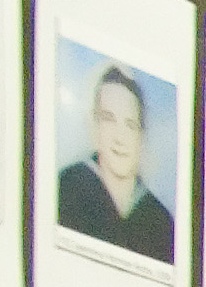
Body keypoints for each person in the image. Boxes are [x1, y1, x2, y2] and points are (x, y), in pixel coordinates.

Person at [55, 64, 173, 259]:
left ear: (141, 136)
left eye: (130, 125)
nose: (120, 137)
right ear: (94, 126)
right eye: (109, 119)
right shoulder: (66, 189)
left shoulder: (161, 222)